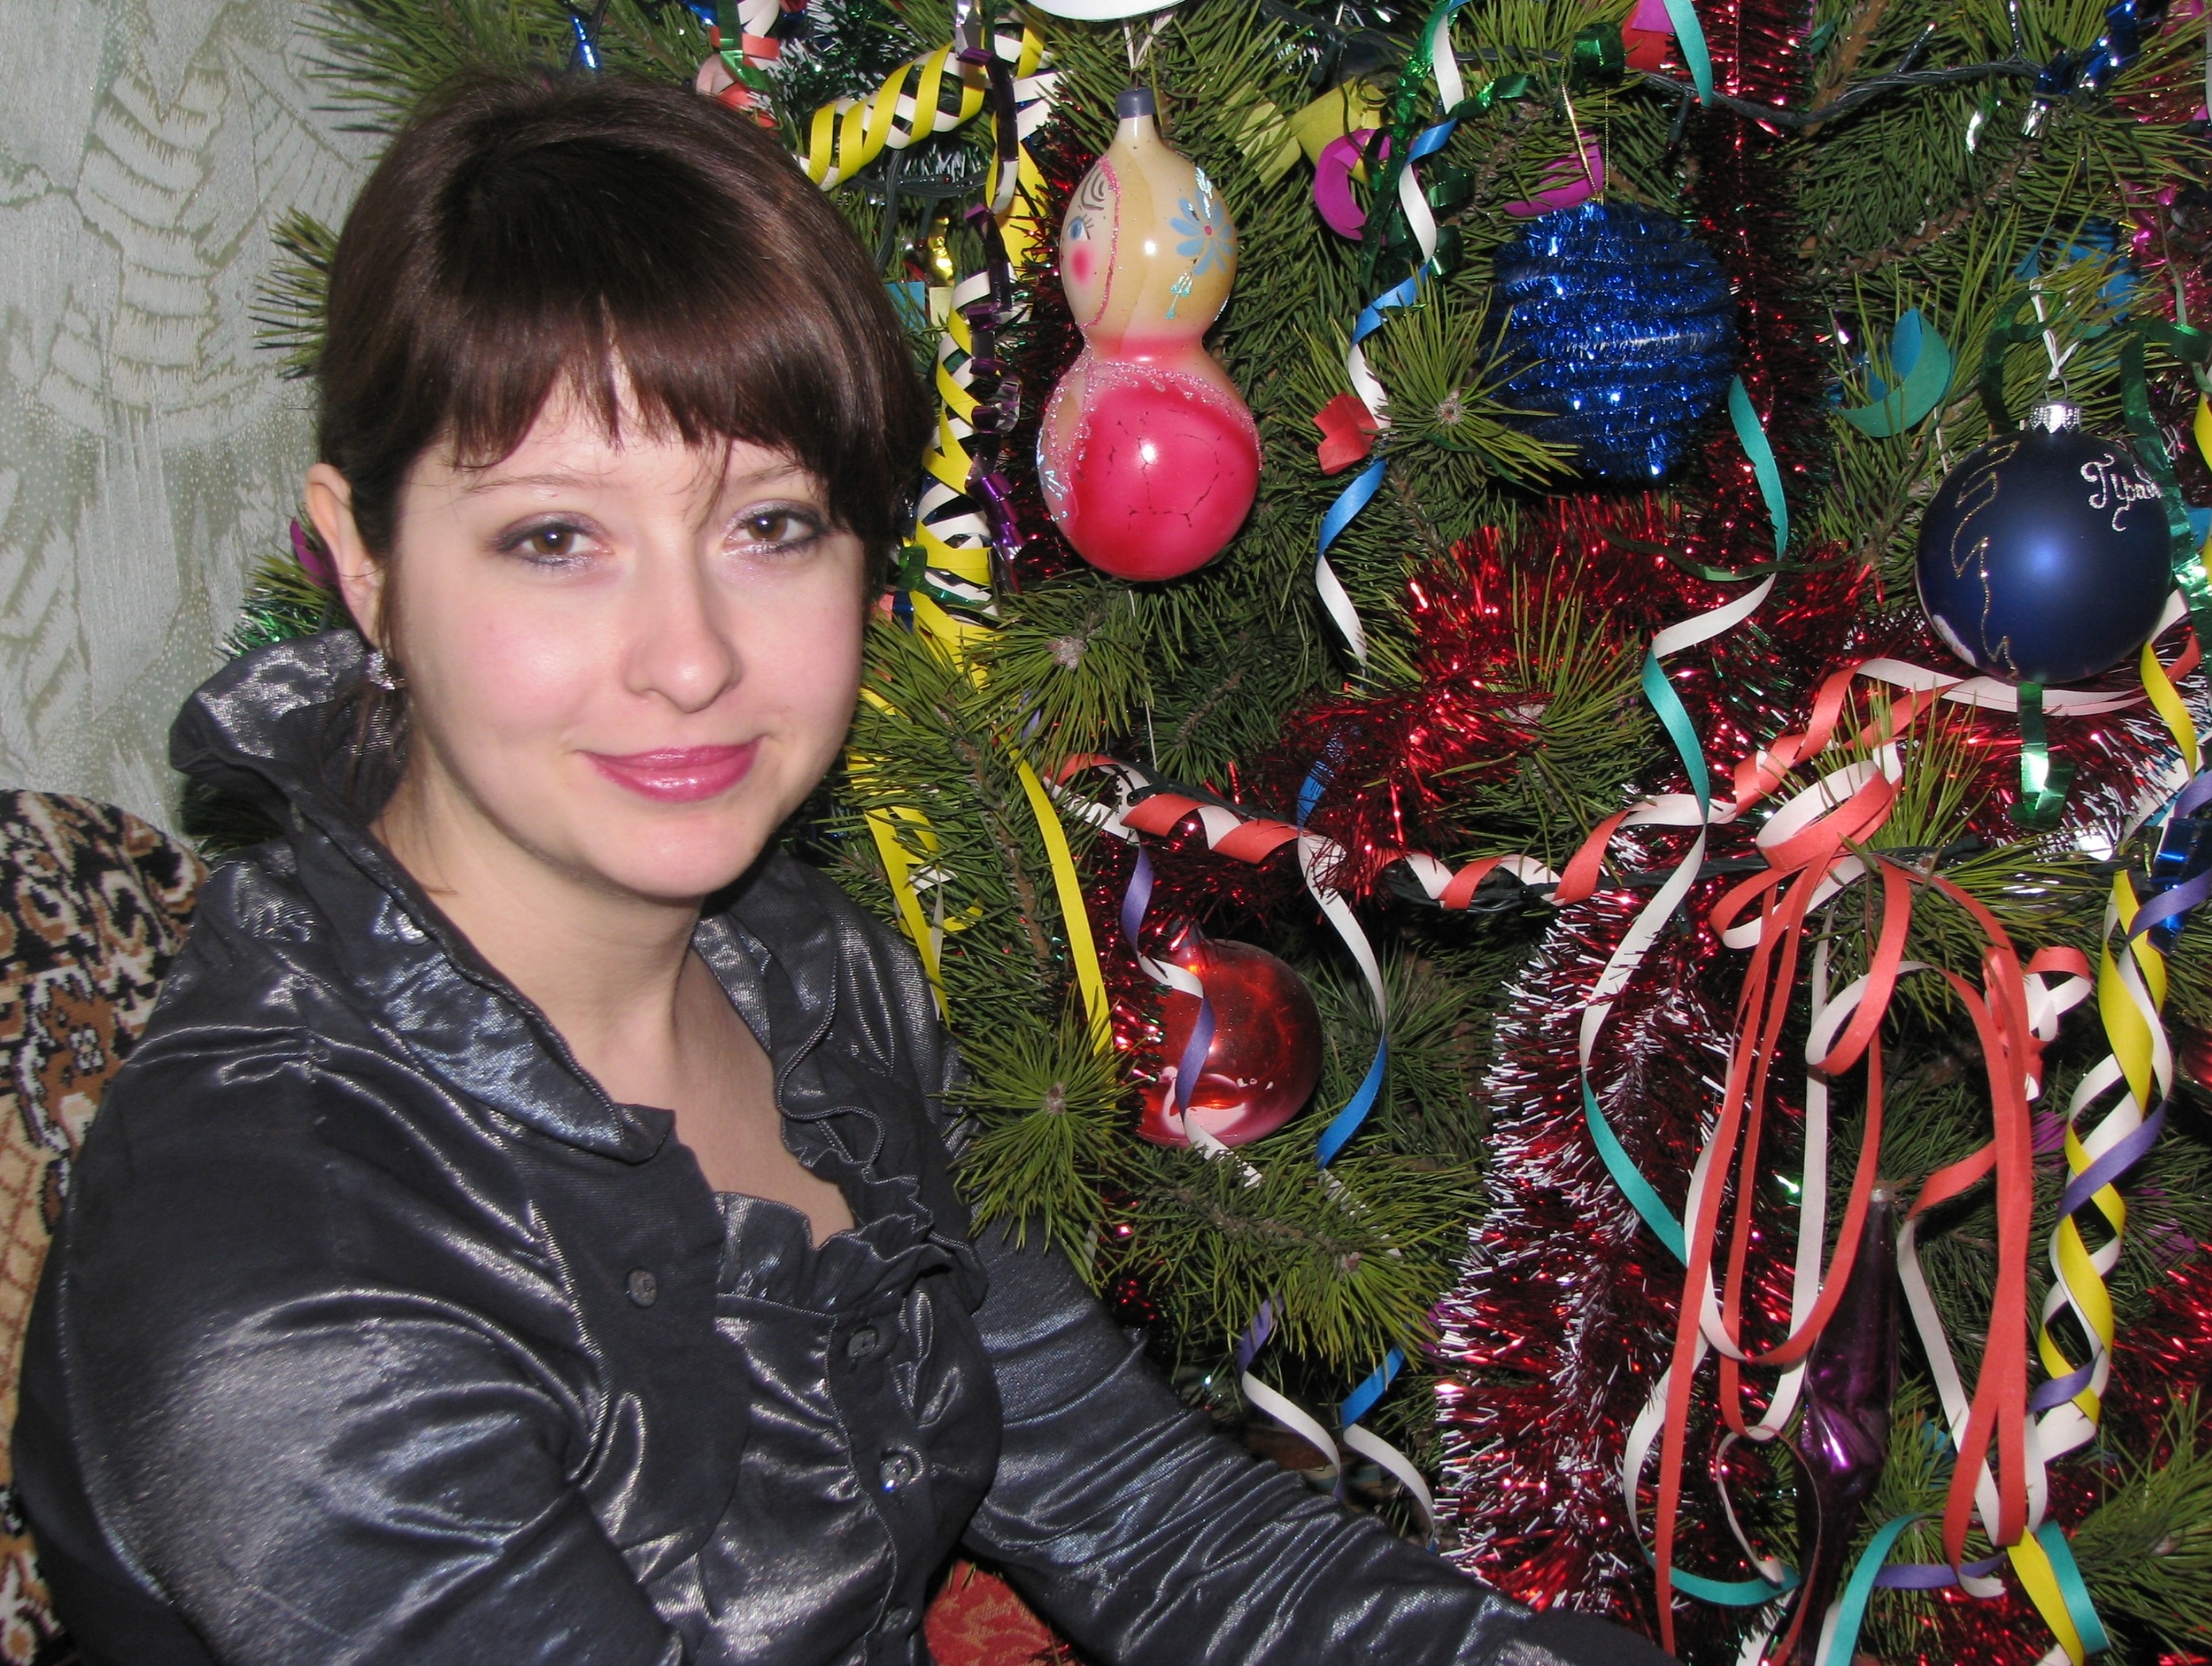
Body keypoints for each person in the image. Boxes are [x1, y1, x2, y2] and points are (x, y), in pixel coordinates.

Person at [12, 72, 1676, 1666]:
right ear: (364, 563)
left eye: (770, 525)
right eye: (555, 537)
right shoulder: (289, 1273)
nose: (690, 659)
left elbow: (1141, 1514)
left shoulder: (801, 975)